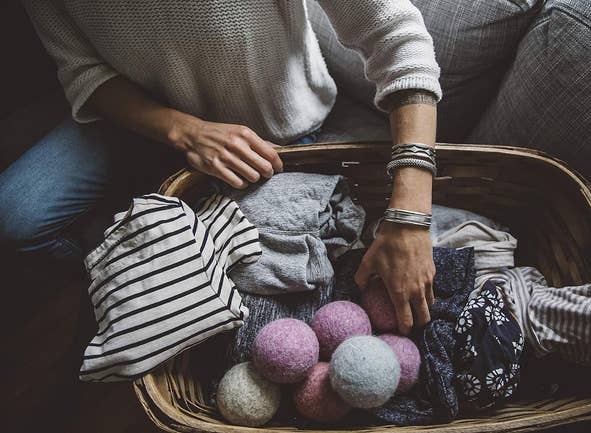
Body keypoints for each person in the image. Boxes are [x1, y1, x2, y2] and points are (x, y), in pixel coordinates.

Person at [1, 0, 443, 335]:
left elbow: (399, 39)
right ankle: (122, 279)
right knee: (15, 219)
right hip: (137, 123)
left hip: (270, 136)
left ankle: (140, 271)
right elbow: (82, 70)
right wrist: (186, 132)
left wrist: (409, 218)